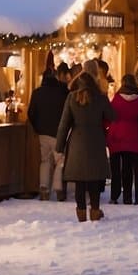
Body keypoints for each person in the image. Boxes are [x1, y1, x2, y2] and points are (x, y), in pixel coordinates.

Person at [56, 72, 115, 221]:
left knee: (79, 182)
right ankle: (95, 211)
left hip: (77, 142)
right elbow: (112, 116)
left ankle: (81, 213)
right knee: (95, 179)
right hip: (96, 140)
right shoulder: (100, 98)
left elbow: (64, 124)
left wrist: (59, 146)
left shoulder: (71, 98)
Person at [107, 74, 138, 204]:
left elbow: (111, 115)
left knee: (119, 169)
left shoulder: (117, 98)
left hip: (117, 136)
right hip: (135, 137)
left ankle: (120, 196)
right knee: (137, 170)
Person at [28, 70, 70, 201]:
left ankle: (44, 188)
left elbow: (31, 113)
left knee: (45, 160)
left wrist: (37, 127)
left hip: (43, 133)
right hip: (59, 132)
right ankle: (58, 188)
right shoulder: (63, 93)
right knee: (60, 161)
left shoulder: (37, 93)